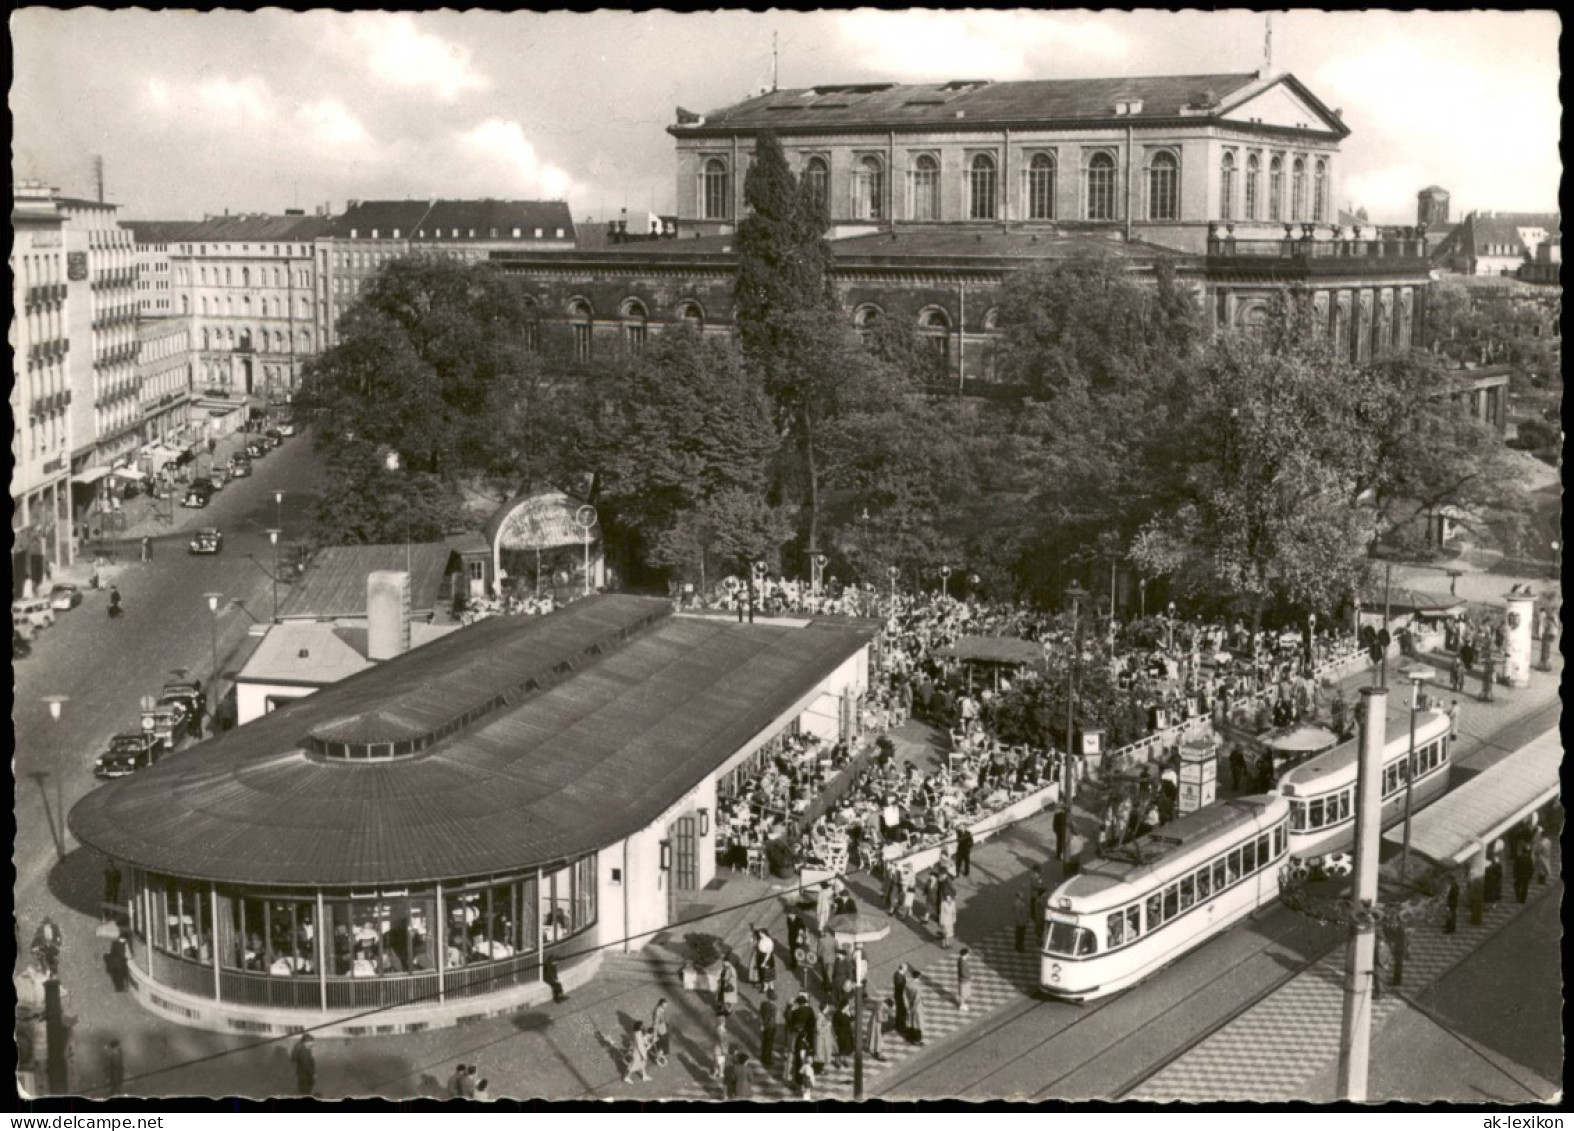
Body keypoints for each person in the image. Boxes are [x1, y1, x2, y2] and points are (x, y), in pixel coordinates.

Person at [757, 987, 777, 1068]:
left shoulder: (763, 1004)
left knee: (764, 1042)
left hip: (764, 1026)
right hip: (770, 1027)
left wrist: (762, 1024)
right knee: (769, 1043)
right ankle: (767, 1059)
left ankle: (763, 1056)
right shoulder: (773, 1007)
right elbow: (772, 1018)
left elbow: (760, 1014)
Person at [106, 928, 131, 993]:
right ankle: (124, 987)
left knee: (117, 976)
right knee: (124, 974)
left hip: (115, 963)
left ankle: (118, 987)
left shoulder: (114, 943)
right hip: (121, 963)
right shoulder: (125, 944)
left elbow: (111, 951)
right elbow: (127, 955)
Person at [905, 969, 926, 1045]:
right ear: (919, 976)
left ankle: (909, 1036)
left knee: (910, 1021)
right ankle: (917, 1039)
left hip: (910, 1004)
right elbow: (917, 999)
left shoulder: (908, 984)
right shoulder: (918, 987)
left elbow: (906, 995)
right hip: (917, 1006)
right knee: (918, 1022)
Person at [650, 997, 671, 1067]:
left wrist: (666, 1020)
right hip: (660, 1029)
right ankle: (658, 1056)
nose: (667, 1005)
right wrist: (655, 1035)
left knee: (662, 1042)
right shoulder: (657, 1012)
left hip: (663, 1027)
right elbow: (656, 1024)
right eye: (665, 1004)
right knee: (663, 1042)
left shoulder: (661, 1009)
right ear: (662, 1004)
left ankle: (659, 1053)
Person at [865, 995, 886, 1062]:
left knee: (873, 1037)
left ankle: (873, 1049)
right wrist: (885, 1018)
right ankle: (878, 1053)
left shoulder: (876, 1006)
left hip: (873, 1024)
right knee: (878, 1039)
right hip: (877, 1026)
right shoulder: (880, 1008)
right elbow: (880, 1019)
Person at [892, 963, 909, 1035]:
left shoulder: (897, 973)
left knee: (899, 1010)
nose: (906, 970)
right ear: (902, 968)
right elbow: (900, 986)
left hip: (898, 995)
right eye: (906, 968)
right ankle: (901, 1027)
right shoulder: (899, 976)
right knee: (902, 1011)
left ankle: (898, 1024)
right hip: (900, 996)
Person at [956, 946, 973, 1012]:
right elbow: (963, 972)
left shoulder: (960, 959)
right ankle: (962, 1005)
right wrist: (968, 976)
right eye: (968, 954)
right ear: (965, 954)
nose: (969, 955)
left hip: (963, 979)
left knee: (963, 993)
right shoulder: (963, 962)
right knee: (963, 993)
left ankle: (962, 1004)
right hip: (964, 979)